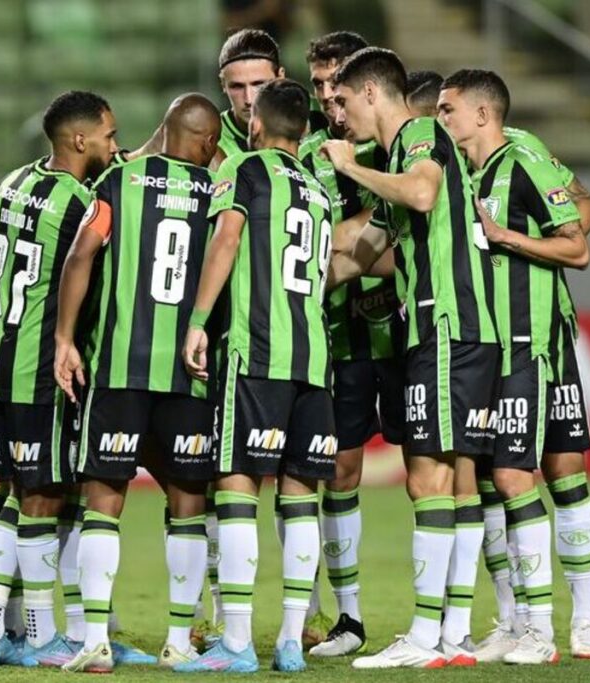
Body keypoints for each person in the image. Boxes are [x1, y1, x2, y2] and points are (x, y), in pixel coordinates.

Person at [323, 48, 499, 669]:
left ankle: (427, 635)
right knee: (448, 478)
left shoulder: (420, 133)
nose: (337, 116)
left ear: (372, 93)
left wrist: (350, 168)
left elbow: (422, 196)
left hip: (448, 327)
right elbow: (366, 249)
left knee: (429, 478)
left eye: (342, 101)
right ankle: (449, 632)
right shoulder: (402, 154)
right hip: (448, 330)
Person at [53, 93, 222, 674]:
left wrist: (65, 338)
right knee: (188, 503)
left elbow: (82, 253)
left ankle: (94, 639)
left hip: (119, 369)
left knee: (104, 501)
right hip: (187, 373)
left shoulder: (119, 182)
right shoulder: (217, 193)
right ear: (203, 141)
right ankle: (179, 642)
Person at [177, 78, 336, 674]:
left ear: (256, 124)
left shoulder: (245, 168)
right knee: (300, 497)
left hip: (258, 353)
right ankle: (292, 641)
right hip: (314, 361)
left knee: (238, 487)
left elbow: (226, 239)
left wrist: (198, 321)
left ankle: (238, 643)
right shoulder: (318, 189)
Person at [436, 68, 590, 665]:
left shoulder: (522, 161)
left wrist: (506, 238)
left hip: (525, 343)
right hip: (486, 348)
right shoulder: (468, 173)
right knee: (492, 481)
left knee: (515, 478)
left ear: (481, 114)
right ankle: (518, 624)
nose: (441, 120)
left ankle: (542, 630)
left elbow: (577, 246)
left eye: (448, 110)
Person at [0, 90, 118, 668]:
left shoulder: (10, 183)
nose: (113, 143)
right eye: (107, 134)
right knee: (44, 494)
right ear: (79, 140)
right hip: (37, 362)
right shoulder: (87, 201)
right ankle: (38, 634)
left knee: (8, 487)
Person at [297, 30, 402, 658]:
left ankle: (469, 618)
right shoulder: (311, 152)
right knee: (337, 469)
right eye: (318, 85)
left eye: (338, 81)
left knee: (447, 472)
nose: (329, 96)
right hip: (342, 337)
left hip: (412, 333)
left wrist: (349, 244)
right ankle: (348, 618)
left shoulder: (401, 145)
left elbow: (401, 233)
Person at [214, 28, 286, 168]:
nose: (249, 100)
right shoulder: (209, 139)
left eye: (259, 84)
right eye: (237, 86)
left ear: (280, 78)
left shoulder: (310, 127)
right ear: (223, 84)